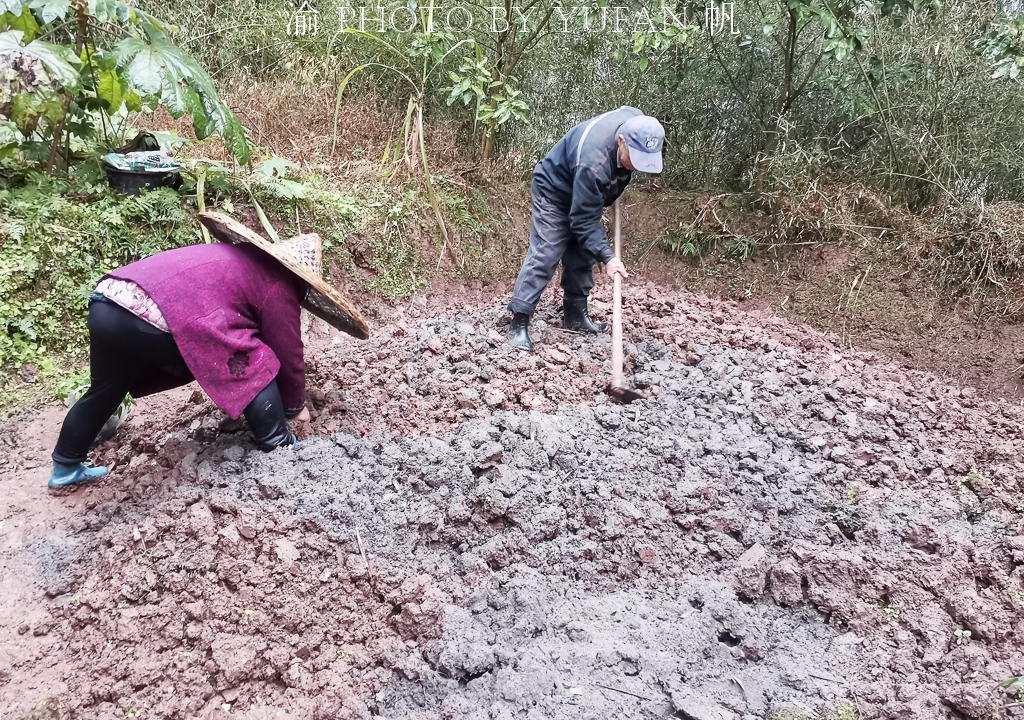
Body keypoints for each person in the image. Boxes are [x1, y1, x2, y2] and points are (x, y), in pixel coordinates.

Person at [47, 212, 368, 489]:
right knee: (255, 363)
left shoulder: (234, 258)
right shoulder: (278, 282)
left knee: (106, 388)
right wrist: (295, 405)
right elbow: (287, 352)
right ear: (303, 279)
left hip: (109, 299)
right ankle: (280, 446)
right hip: (155, 314)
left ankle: (66, 465)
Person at [507, 106, 665, 351]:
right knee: (546, 252)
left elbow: (586, 221)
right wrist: (609, 258)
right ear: (621, 141)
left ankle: (575, 315)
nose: (637, 167)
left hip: (584, 188)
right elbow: (582, 222)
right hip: (554, 192)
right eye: (634, 158)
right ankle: (519, 320)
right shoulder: (594, 162)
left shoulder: (638, 123)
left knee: (583, 251)